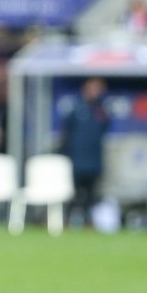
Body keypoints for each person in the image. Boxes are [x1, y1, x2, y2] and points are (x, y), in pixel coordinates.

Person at [59, 77, 110, 228]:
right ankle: (67, 220)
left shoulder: (101, 110)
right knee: (72, 193)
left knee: (91, 194)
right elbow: (66, 133)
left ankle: (89, 221)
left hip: (94, 159)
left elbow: (104, 128)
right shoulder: (76, 109)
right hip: (76, 159)